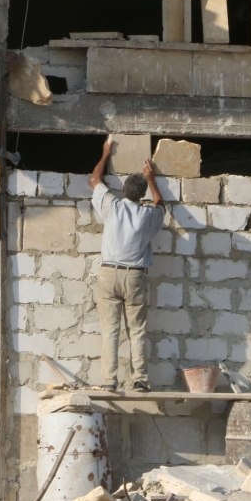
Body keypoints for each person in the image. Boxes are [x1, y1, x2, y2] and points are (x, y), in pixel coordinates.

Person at [88, 139, 165, 392]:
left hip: (109, 274)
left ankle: (109, 381)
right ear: (142, 195)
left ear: (123, 190)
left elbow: (94, 180)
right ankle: (140, 379)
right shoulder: (147, 216)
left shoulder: (112, 206)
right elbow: (161, 206)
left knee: (110, 330)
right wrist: (152, 180)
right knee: (137, 330)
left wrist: (105, 153)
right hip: (134, 277)